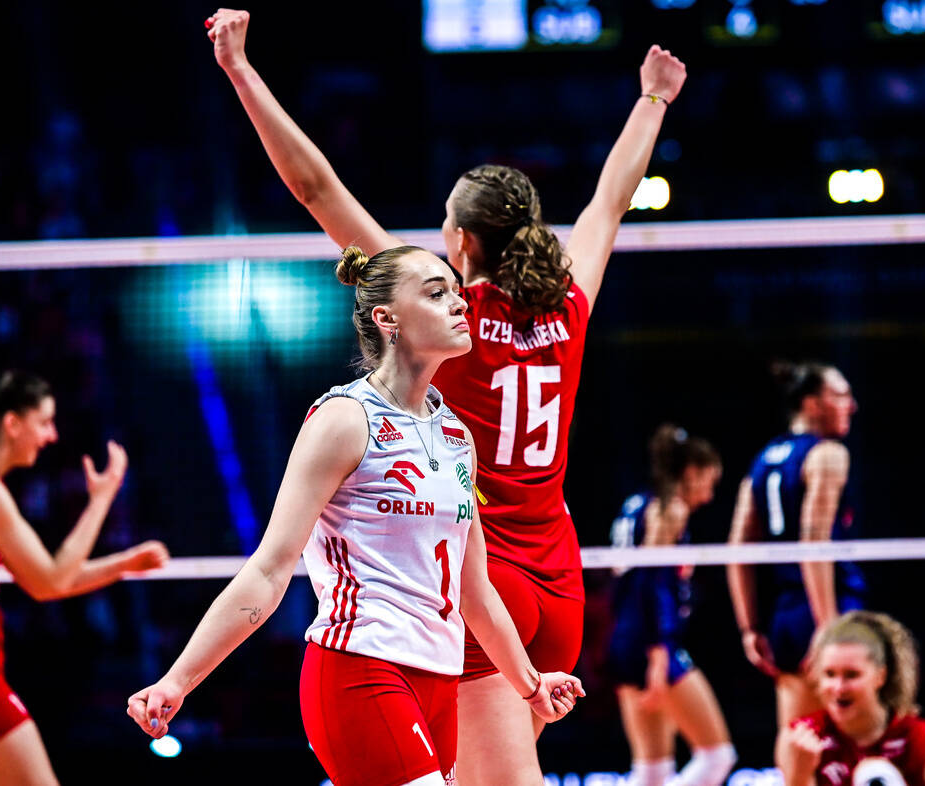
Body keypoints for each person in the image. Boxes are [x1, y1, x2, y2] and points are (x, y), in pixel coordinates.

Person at [204, 10, 686, 781]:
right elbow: (609, 202)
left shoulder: (444, 319)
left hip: (482, 586)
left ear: (459, 241)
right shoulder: (569, 306)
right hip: (559, 585)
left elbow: (314, 188)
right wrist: (652, 99)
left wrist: (240, 71)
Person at [127, 245, 585, 786]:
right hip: (361, 667)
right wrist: (178, 680)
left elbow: (475, 591)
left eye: (456, 291)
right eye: (436, 293)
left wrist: (531, 686)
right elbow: (270, 570)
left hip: (441, 681)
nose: (460, 303)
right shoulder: (343, 419)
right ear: (387, 319)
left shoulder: (457, 436)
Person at [0, 367, 169, 786]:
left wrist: (124, 563)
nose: (51, 435)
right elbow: (51, 581)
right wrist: (101, 500)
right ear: (12, 423)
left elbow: (41, 580)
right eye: (43, 422)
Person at [726, 362, 867, 757]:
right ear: (812, 403)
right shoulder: (828, 454)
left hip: (785, 617)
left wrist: (749, 627)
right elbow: (813, 541)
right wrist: (828, 628)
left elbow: (736, 548)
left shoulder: (764, 459)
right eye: (840, 395)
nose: (852, 405)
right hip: (830, 608)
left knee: (797, 743)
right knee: (856, 746)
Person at [607, 425, 736, 786]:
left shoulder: (637, 503)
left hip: (624, 636)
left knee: (652, 771)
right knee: (718, 756)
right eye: (709, 482)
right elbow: (652, 583)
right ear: (691, 473)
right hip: (648, 639)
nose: (709, 496)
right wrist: (659, 652)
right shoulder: (670, 509)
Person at [778, 610, 925, 786]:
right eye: (829, 674)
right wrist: (800, 778)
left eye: (851, 675)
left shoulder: (922, 741)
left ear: (880, 676)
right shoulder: (800, 740)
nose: (838, 687)